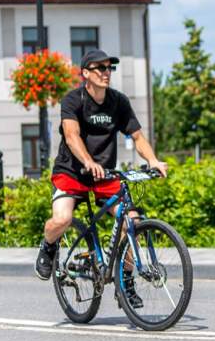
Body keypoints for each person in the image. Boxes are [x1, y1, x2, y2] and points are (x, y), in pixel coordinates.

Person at [34, 49, 169, 309]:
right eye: (100, 68)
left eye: (109, 68)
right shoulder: (73, 100)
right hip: (71, 171)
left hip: (103, 174)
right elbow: (72, 136)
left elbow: (137, 137)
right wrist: (88, 162)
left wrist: (152, 160)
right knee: (61, 219)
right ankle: (48, 247)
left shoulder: (118, 102)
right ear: (85, 73)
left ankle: (125, 281)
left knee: (132, 222)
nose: (106, 73)